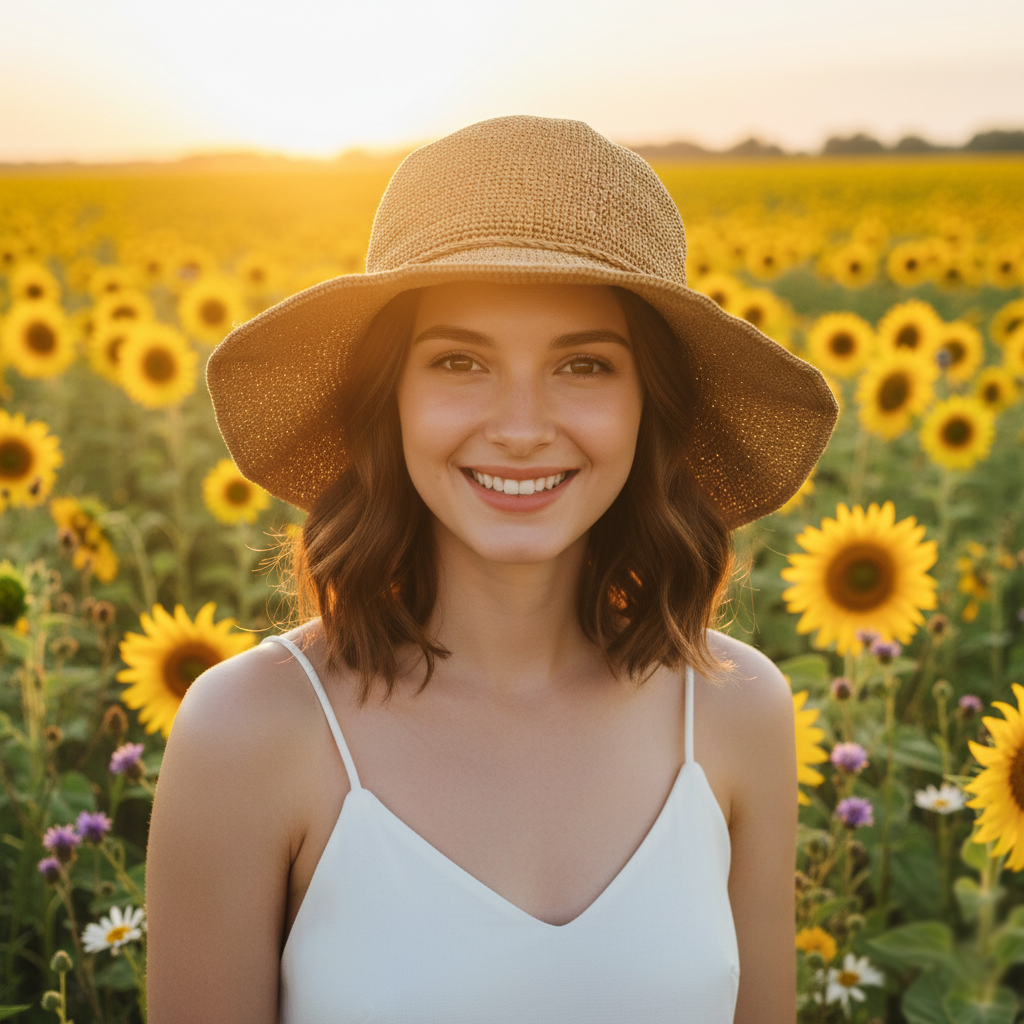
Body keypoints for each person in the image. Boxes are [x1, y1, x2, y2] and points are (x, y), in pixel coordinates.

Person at [145, 115, 838, 1024]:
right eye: (460, 361)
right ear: (387, 397)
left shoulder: (737, 710)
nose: (519, 425)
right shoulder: (251, 733)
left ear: (647, 408)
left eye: (584, 365)